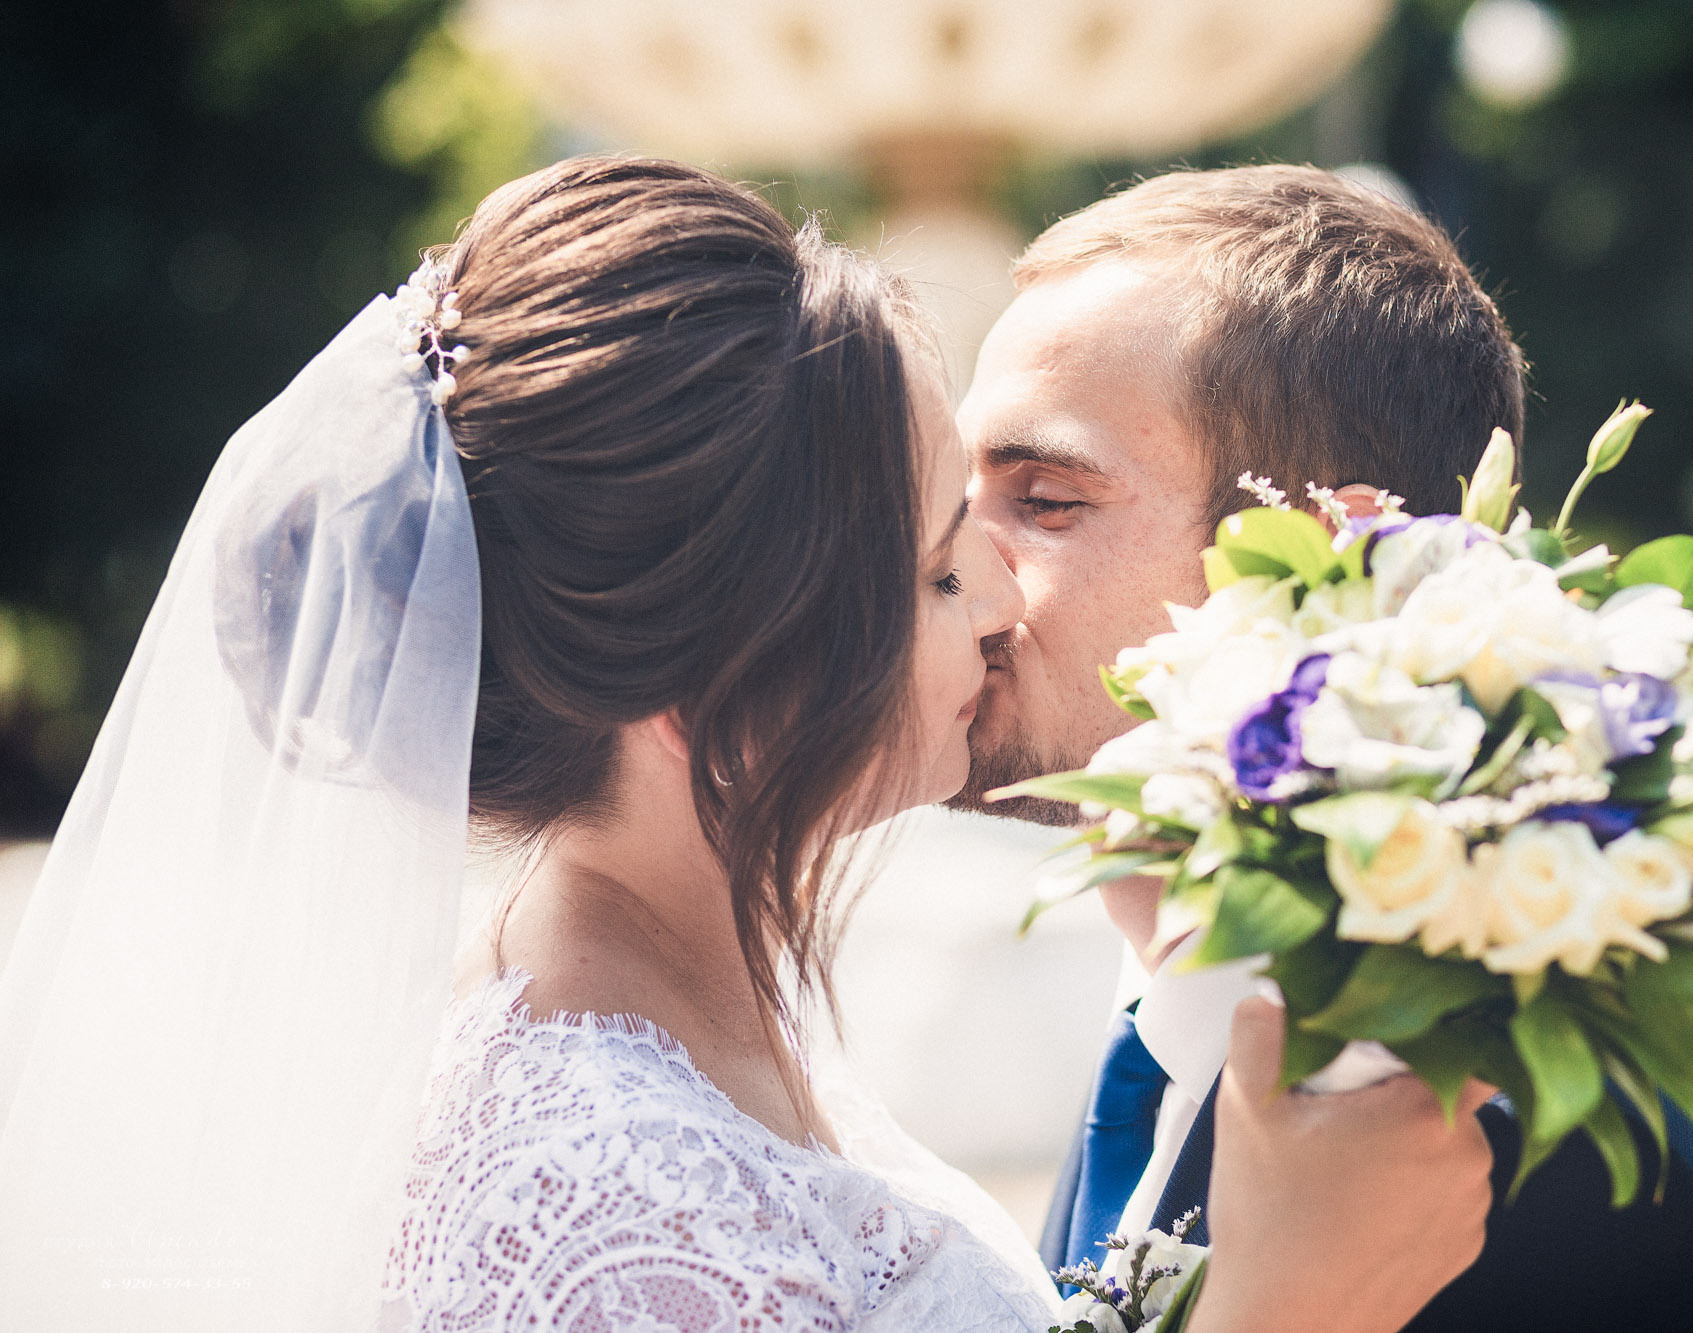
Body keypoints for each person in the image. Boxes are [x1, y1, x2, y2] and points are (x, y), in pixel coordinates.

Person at [0, 155, 1493, 1333]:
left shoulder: (704, 1041)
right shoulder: (593, 1194)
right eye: (930, 561)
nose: (988, 599)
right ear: (709, 676)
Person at [952, 164, 1693, 1333]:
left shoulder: (1496, 1157)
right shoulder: (1161, 1029)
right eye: (954, 493)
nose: (950, 563)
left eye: (1044, 500)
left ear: (1327, 554)